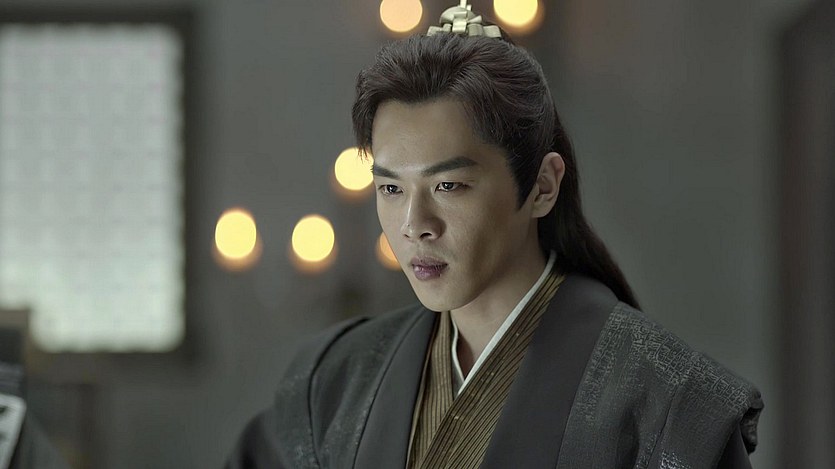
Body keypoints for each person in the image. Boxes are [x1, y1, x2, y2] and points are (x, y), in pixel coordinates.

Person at [227, 2, 763, 467]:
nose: (414, 225)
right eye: (390, 188)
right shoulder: (337, 381)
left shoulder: (667, 404)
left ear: (542, 185)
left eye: (449, 185)